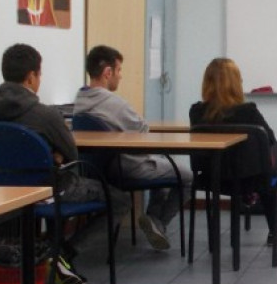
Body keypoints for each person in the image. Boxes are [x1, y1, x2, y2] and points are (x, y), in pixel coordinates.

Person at [0, 44, 130, 284]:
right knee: (120, 200)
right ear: (31, 77)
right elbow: (71, 155)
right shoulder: (44, 115)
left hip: (5, 195)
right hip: (49, 190)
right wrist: (54, 156)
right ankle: (63, 252)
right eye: (39, 75)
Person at [73, 45, 193, 251]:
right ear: (107, 73)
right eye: (119, 71)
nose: (120, 76)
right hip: (126, 166)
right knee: (187, 176)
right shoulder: (115, 103)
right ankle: (158, 220)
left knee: (162, 167)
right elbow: (143, 130)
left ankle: (154, 219)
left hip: (98, 170)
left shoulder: (80, 100)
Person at [189, 58, 277, 246]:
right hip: (250, 180)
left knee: (262, 163)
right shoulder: (248, 111)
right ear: (235, 83)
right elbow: (269, 139)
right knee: (272, 160)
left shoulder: (197, 112)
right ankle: (276, 229)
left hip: (210, 179)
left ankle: (255, 196)